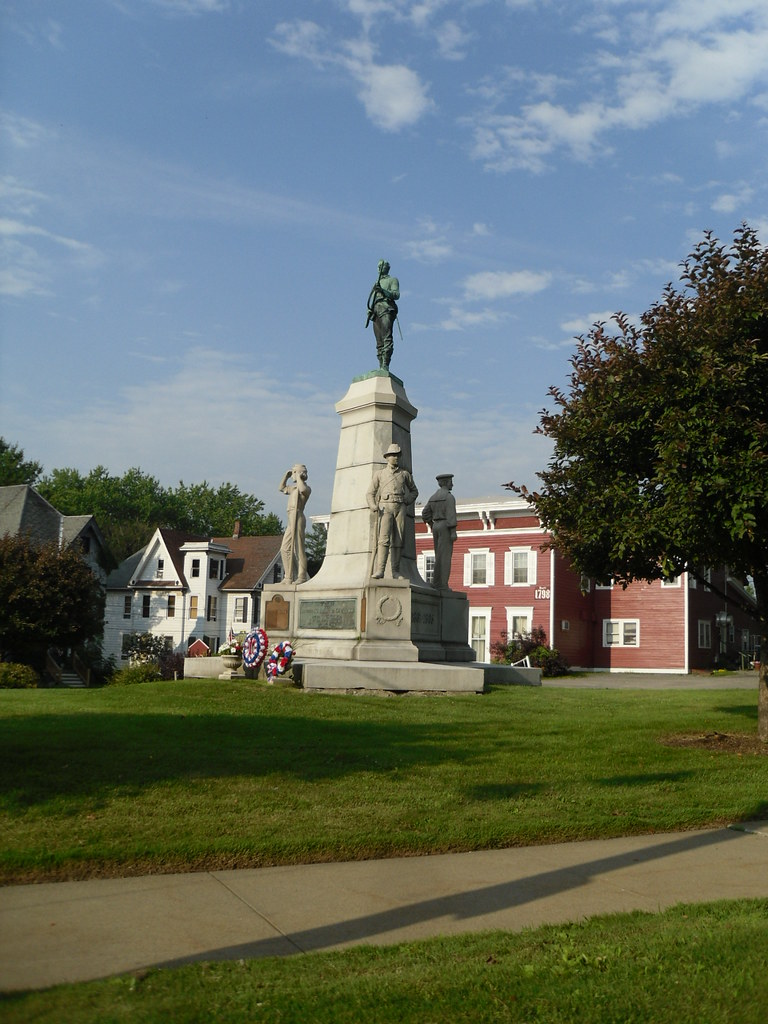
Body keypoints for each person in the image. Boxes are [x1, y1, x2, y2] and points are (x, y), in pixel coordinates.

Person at [366, 443, 418, 579]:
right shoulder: (380, 474)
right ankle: (380, 570)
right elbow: (370, 493)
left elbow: (414, 491)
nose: (395, 457)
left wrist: (407, 500)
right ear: (387, 457)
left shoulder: (404, 474)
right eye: (392, 455)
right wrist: (373, 506)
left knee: (398, 540)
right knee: (383, 540)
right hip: (385, 507)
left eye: (397, 455)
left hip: (400, 507)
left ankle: (395, 571)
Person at [421, 474, 457, 590]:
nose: (452, 484)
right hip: (445, 527)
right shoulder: (449, 497)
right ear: (446, 482)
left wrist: (432, 524)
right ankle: (442, 584)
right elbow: (451, 515)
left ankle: (436, 582)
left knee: (438, 556)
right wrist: (453, 531)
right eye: (451, 482)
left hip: (436, 526)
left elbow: (425, 513)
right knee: (445, 557)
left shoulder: (433, 497)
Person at [279, 464, 311, 584]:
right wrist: (286, 476)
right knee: (284, 548)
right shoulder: (293, 488)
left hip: (298, 516)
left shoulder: (306, 488)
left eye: (293, 472)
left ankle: (302, 576)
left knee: (298, 548)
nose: (292, 474)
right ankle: (288, 576)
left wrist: (298, 477)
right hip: (290, 517)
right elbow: (281, 488)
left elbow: (302, 490)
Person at [366, 259, 400, 369]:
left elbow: (396, 295)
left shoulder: (392, 280)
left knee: (386, 337)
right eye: (378, 266)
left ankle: (385, 364)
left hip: (386, 308)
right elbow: (373, 299)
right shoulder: (376, 282)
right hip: (376, 310)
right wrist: (369, 310)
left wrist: (382, 291)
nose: (379, 268)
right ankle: (381, 365)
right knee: (379, 341)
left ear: (387, 268)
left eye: (382, 266)